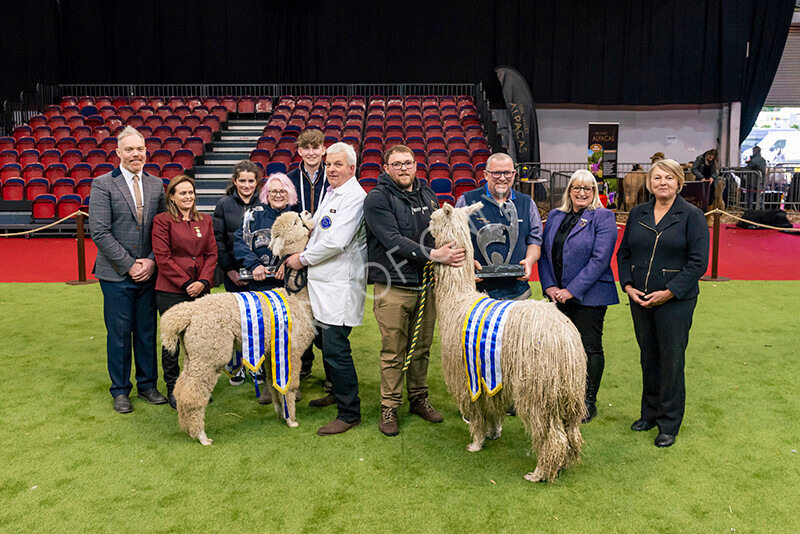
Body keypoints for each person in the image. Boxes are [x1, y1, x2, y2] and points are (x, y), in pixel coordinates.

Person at [363, 144, 466, 436]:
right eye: (397, 164)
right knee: (393, 351)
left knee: (421, 349)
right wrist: (435, 256)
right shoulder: (376, 199)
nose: (404, 168)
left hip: (426, 285)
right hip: (393, 287)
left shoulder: (427, 193)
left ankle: (419, 398)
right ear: (386, 168)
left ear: (415, 164)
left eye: (408, 162)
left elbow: (438, 234)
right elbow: (392, 239)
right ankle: (389, 406)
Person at [617, 158, 709, 448]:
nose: (662, 183)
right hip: (640, 299)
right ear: (649, 183)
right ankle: (649, 414)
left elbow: (698, 263)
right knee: (649, 357)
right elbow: (624, 254)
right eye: (657, 178)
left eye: (669, 178)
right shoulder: (637, 213)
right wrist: (628, 286)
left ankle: (668, 423)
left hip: (675, 301)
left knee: (671, 361)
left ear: (679, 182)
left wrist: (669, 292)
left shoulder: (692, 215)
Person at [283, 142, 366, 436]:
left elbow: (336, 242)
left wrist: (300, 258)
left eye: (338, 164)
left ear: (352, 168)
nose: (331, 169)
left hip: (338, 286)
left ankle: (349, 412)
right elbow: (319, 230)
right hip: (322, 284)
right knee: (326, 347)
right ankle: (337, 394)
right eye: (329, 164)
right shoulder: (332, 192)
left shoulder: (355, 197)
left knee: (336, 350)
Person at [90, 126, 167, 413]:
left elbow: (162, 229)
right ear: (119, 153)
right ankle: (121, 390)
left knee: (147, 331)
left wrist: (150, 260)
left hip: (149, 272)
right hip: (115, 275)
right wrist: (129, 264)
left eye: (140, 149)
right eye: (130, 149)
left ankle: (148, 385)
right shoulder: (102, 184)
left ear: (146, 152)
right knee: (120, 333)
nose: (136, 154)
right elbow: (98, 231)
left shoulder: (157, 184)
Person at [538, 169, 619, 423]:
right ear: (569, 191)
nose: (582, 192)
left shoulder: (603, 217)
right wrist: (550, 286)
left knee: (589, 348)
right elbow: (544, 254)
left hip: (590, 296)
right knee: (560, 349)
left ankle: (587, 401)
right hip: (557, 296)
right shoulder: (554, 215)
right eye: (577, 187)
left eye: (588, 188)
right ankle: (563, 395)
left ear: (595, 192)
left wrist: (571, 291)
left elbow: (600, 259)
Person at [152, 175, 217, 409]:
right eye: (182, 193)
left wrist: (202, 281)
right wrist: (186, 282)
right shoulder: (162, 221)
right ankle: (173, 388)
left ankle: (197, 386)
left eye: (191, 193)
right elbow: (163, 257)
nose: (188, 197)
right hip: (171, 290)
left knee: (199, 342)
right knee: (172, 344)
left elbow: (211, 255)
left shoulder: (205, 220)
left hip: (201, 289)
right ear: (172, 196)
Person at [455, 152, 542, 301]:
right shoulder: (466, 201)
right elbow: (455, 242)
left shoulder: (527, 203)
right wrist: (467, 263)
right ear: (486, 175)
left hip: (518, 293)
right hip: (477, 295)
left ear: (514, 174)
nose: (502, 178)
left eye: (507, 172)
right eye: (496, 173)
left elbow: (535, 241)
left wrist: (529, 261)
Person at [286, 128, 328, 380]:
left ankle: (332, 373)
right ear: (299, 150)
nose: (311, 152)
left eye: (316, 147)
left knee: (324, 312)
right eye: (306, 148)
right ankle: (304, 367)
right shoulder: (289, 180)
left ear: (323, 149)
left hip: (324, 254)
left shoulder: (333, 178)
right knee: (299, 312)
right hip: (296, 256)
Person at [233, 172, 298, 292]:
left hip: (289, 286)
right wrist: (254, 265)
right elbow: (239, 244)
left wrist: (287, 264)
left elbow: (303, 249)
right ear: (267, 194)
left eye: (282, 191)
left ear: (290, 194)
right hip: (257, 285)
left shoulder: (298, 220)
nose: (278, 195)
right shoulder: (252, 217)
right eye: (273, 191)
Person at [213, 160, 263, 294]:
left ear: (257, 181)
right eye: (242, 181)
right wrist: (230, 270)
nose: (246, 185)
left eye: (251, 181)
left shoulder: (266, 203)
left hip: (261, 273)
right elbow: (218, 241)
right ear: (235, 181)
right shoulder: (223, 204)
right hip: (234, 275)